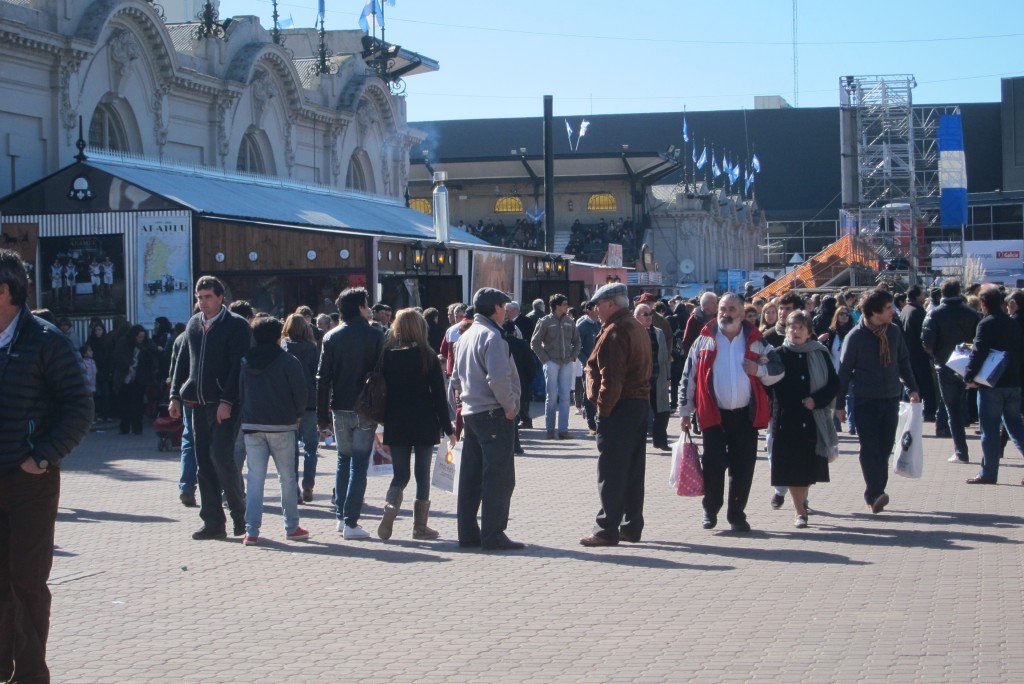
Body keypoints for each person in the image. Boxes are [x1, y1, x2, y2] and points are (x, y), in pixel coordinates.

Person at [0, 248, 93, 684]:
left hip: (27, 481)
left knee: (26, 581)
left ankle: (31, 673)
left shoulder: (46, 341)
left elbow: (79, 408)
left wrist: (40, 458)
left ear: (5, 292)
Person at [679, 293, 781, 532]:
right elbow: (688, 377)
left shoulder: (757, 340)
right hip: (713, 414)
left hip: (746, 415)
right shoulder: (704, 340)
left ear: (742, 314)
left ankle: (736, 514)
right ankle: (710, 509)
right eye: (722, 309)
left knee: (743, 467)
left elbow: (777, 369)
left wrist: (758, 370)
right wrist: (685, 411)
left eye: (732, 309)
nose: (726, 313)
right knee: (713, 465)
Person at [169, 276, 253, 540]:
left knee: (221, 457)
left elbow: (238, 368)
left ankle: (242, 516)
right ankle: (213, 522)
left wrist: (227, 401)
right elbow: (182, 362)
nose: (202, 302)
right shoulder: (193, 324)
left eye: (207, 297)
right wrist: (174, 395)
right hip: (197, 404)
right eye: (199, 297)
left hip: (224, 405)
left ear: (220, 298)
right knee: (203, 463)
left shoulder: (236, 326)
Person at [451, 288, 524, 551]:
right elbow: (498, 378)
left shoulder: (465, 335)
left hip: (472, 413)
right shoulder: (493, 337)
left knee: (471, 475)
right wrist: (510, 406)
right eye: (504, 307)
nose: (506, 312)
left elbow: (455, 378)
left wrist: (462, 403)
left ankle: (468, 532)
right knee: (499, 476)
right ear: (495, 308)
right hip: (493, 412)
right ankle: (493, 534)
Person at [579, 283, 652, 546]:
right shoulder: (634, 326)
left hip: (620, 407)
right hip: (637, 405)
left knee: (611, 471)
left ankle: (606, 529)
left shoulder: (616, 331)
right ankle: (631, 526)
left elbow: (612, 379)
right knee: (632, 470)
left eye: (598, 304)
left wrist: (603, 412)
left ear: (610, 303)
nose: (595, 310)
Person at [835, 289, 919, 514]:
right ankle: (874, 493)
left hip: (891, 398)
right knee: (870, 448)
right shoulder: (855, 337)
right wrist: (839, 404)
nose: (893, 312)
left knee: (884, 448)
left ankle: (877, 491)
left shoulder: (893, 332)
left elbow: (903, 361)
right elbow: (844, 372)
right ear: (874, 312)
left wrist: (912, 389)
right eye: (889, 308)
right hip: (864, 400)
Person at [376, 309, 455, 540]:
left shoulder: (387, 354)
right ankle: (419, 527)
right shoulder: (427, 355)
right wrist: (448, 429)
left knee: (400, 475)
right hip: (424, 421)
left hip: (395, 420)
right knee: (422, 475)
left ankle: (390, 510)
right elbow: (439, 397)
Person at [317, 287, 385, 540]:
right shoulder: (375, 335)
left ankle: (340, 516)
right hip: (366, 405)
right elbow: (382, 372)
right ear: (360, 306)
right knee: (358, 463)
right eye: (366, 304)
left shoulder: (331, 337)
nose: (368, 308)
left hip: (339, 405)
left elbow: (322, 378)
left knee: (343, 460)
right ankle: (350, 521)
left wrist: (322, 416)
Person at [239, 316, 309, 545]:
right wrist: (297, 415)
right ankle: (291, 526)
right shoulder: (289, 361)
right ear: (278, 336)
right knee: (287, 478)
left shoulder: (245, 361)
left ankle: (251, 530)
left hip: (252, 425)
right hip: (283, 424)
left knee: (255, 478)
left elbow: (239, 392)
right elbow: (300, 393)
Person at [767, 311, 838, 528]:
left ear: (808, 332)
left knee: (807, 470)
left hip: (813, 419)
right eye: (791, 327)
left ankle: (801, 502)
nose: (795, 332)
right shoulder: (778, 354)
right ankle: (800, 511)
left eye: (800, 328)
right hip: (786, 419)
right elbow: (767, 385)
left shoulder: (820, 353)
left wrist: (816, 400)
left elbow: (834, 384)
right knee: (792, 468)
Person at [963, 286, 1024, 484]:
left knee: (989, 430)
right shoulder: (1013, 323)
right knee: (1016, 427)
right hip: (1013, 383)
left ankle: (988, 472)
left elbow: (978, 352)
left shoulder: (986, 324)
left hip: (991, 384)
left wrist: (969, 376)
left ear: (983, 304)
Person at [921, 279, 981, 462]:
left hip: (944, 364)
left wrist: (936, 355)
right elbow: (980, 339)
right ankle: (982, 453)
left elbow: (927, 341)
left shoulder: (935, 314)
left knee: (951, 408)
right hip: (968, 364)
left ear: (942, 293)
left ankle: (961, 451)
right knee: (965, 404)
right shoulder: (972, 313)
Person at [530, 293, 581, 439]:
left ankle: (563, 430)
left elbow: (577, 341)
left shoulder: (570, 322)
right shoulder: (545, 321)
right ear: (557, 306)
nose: (567, 306)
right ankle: (550, 430)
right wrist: (545, 360)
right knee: (551, 397)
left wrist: (573, 356)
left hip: (566, 362)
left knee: (565, 397)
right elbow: (534, 343)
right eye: (564, 304)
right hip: (551, 362)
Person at [282, 313, 320, 502]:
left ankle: (294, 489)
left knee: (291, 450)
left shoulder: (283, 348)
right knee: (311, 447)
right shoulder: (312, 349)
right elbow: (317, 376)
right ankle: (309, 484)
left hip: (288, 403)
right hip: (310, 403)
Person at [634, 303, 671, 451]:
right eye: (645, 314)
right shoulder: (633, 332)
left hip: (658, 376)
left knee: (663, 411)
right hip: (640, 379)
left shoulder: (658, 333)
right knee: (641, 413)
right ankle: (638, 443)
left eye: (650, 314)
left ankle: (660, 440)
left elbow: (664, 357)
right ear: (636, 317)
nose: (649, 317)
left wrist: (668, 376)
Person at [899, 285, 938, 422]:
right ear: (917, 296)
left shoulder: (905, 310)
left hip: (909, 354)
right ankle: (928, 412)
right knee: (925, 385)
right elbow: (924, 335)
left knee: (912, 384)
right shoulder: (917, 312)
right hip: (918, 354)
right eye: (922, 294)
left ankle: (909, 411)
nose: (924, 296)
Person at [113, 324, 159, 435]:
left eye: (142, 337)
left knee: (137, 403)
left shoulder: (146, 344)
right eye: (138, 337)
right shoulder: (124, 342)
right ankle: (125, 426)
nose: (140, 339)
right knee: (125, 403)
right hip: (125, 378)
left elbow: (153, 353)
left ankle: (137, 427)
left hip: (139, 378)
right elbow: (119, 356)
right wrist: (128, 366)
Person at [576, 300, 603, 434]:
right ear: (588, 310)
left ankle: (598, 420)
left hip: (601, 365)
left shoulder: (599, 324)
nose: (598, 309)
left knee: (599, 392)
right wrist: (586, 362)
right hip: (588, 366)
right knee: (589, 393)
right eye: (595, 307)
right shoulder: (582, 326)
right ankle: (591, 424)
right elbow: (576, 347)